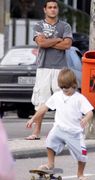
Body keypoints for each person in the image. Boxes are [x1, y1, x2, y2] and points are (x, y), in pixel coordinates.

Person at [26, 68, 93, 180]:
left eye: (66, 87)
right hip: (59, 128)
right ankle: (50, 164)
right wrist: (33, 118)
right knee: (50, 141)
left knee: (82, 155)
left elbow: (90, 112)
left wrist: (86, 118)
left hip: (74, 132)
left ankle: (80, 174)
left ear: (74, 84)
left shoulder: (79, 98)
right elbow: (44, 108)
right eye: (61, 87)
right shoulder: (57, 96)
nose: (64, 90)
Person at [25, 0, 73, 140]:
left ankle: (60, 131)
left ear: (58, 9)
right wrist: (58, 39)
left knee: (62, 100)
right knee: (41, 100)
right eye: (50, 7)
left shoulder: (65, 26)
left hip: (60, 68)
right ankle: (36, 132)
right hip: (43, 67)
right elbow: (40, 42)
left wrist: (49, 42)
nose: (53, 9)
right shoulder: (39, 25)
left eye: (55, 7)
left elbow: (67, 45)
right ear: (45, 10)